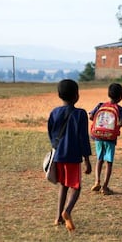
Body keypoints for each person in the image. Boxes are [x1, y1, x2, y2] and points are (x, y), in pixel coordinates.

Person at [47, 79, 92, 231]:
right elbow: (83, 139)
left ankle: (57, 217)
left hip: (58, 155)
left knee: (63, 186)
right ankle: (67, 211)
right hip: (73, 157)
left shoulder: (54, 112)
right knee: (76, 187)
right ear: (76, 96)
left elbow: (51, 133)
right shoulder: (80, 114)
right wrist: (87, 160)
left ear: (59, 95)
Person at [89, 83, 122, 195]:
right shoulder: (120, 109)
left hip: (98, 137)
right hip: (110, 139)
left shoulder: (101, 105)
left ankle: (97, 181)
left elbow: (91, 116)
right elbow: (120, 123)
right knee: (109, 162)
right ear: (121, 97)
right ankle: (105, 187)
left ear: (108, 94)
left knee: (99, 159)